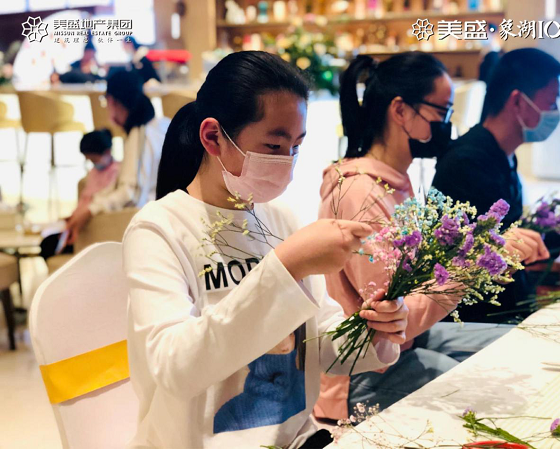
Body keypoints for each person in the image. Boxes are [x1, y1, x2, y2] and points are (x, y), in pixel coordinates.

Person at [123, 51, 409, 449]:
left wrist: (375, 331)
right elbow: (176, 368)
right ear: (213, 137)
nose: (287, 163)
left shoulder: (281, 218)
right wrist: (286, 267)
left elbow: (319, 344)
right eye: (273, 145)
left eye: (296, 146)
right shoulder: (158, 230)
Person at [315, 53, 550, 421]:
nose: (447, 125)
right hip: (364, 370)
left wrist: (485, 251)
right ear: (400, 110)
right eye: (442, 111)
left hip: (406, 346)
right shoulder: (360, 193)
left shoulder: (393, 183)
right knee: (496, 393)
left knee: (522, 348)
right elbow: (396, 321)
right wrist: (479, 262)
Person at [433, 48, 560, 323]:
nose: (555, 113)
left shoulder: (501, 154)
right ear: (518, 102)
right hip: (479, 319)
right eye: (551, 102)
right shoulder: (469, 162)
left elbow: (515, 232)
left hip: (508, 307)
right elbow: (514, 251)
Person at [66, 70, 169, 244]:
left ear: (112, 101)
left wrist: (91, 210)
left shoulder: (141, 135)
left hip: (147, 227)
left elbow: (131, 195)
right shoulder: (160, 126)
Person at [40, 129, 119, 260]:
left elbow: (100, 203)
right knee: (47, 243)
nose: (92, 163)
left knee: (49, 245)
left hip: (90, 227)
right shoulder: (93, 173)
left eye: (93, 159)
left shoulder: (116, 173)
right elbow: (85, 199)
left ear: (107, 152)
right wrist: (73, 216)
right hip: (76, 223)